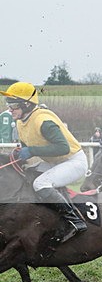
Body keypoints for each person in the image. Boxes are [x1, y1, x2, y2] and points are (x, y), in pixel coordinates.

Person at [1, 82, 88, 244]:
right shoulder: (21, 122)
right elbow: (28, 147)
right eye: (9, 105)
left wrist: (32, 151)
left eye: (13, 105)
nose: (10, 109)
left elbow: (63, 147)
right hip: (55, 162)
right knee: (28, 173)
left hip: (74, 161)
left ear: (26, 104)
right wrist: (20, 154)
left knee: (40, 184)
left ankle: (75, 220)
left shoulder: (43, 120)